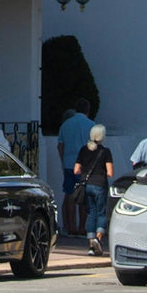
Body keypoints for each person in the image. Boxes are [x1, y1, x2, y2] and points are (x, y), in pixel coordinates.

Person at [74, 124, 113, 256]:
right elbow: (110, 172)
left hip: (87, 185)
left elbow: (76, 170)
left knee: (91, 213)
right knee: (101, 213)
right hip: (100, 184)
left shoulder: (83, 150)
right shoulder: (105, 151)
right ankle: (98, 238)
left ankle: (91, 244)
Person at [57, 98, 94, 236]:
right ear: (88, 110)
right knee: (83, 198)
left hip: (69, 165)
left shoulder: (65, 125)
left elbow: (60, 146)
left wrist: (64, 161)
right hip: (84, 166)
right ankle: (81, 227)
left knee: (70, 196)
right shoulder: (91, 125)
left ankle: (71, 226)